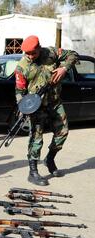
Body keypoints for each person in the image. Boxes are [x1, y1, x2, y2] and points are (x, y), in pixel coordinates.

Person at [15, 35, 79, 186]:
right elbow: (19, 91)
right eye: (27, 53)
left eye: (33, 53)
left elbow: (73, 55)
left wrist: (64, 68)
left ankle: (50, 159)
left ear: (39, 48)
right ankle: (33, 172)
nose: (30, 56)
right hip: (36, 107)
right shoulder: (22, 66)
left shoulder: (51, 53)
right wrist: (23, 108)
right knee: (36, 138)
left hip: (55, 102)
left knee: (63, 132)